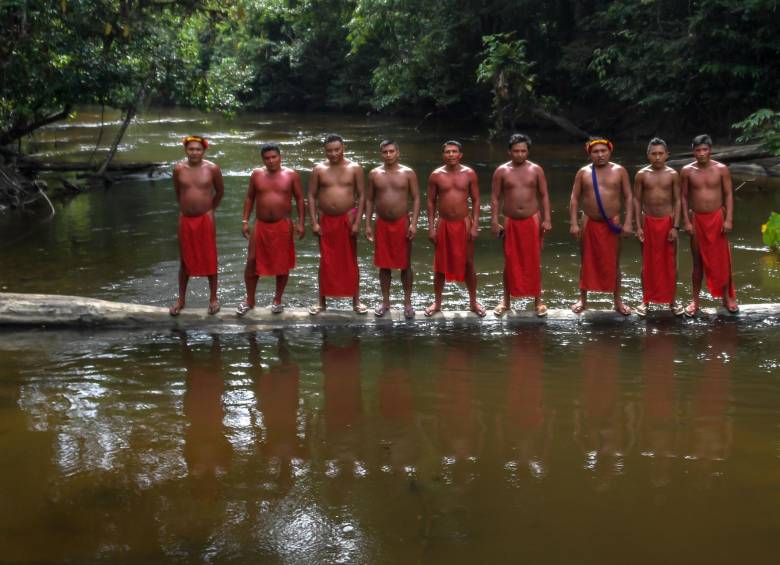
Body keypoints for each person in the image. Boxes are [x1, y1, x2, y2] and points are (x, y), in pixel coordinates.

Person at [237, 143, 304, 316]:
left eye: (274, 157)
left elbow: (299, 199)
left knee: (282, 264)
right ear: (263, 159)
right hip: (261, 224)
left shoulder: (291, 175)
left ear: (280, 157)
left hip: (283, 224)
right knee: (251, 260)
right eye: (267, 158)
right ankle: (250, 300)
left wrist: (301, 223)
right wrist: (245, 220)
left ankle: (277, 300)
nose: (271, 161)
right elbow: (250, 197)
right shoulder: (257, 174)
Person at [569, 137, 633, 315]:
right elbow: (574, 198)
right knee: (585, 260)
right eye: (595, 152)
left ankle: (617, 301)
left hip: (613, 222)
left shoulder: (620, 171)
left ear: (610, 152)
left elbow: (629, 197)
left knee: (614, 261)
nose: (600, 155)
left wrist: (628, 222)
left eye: (603, 151)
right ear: (590, 154)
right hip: (589, 220)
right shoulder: (583, 172)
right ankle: (583, 299)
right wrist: (574, 223)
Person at [490, 133, 552, 317]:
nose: (519, 154)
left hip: (532, 219)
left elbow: (544, 195)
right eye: (516, 151)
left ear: (528, 152)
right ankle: (506, 301)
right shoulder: (501, 171)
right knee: (509, 261)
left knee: (533, 260)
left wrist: (547, 219)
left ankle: (538, 301)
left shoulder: (536, 170)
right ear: (509, 151)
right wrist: (494, 221)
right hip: (510, 220)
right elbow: (495, 197)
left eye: (523, 151)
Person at [307, 133, 367, 314]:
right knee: (325, 260)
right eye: (329, 151)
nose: (333, 154)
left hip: (347, 218)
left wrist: (358, 221)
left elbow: (362, 195)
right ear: (324, 151)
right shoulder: (318, 169)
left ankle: (356, 301)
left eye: (336, 150)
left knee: (351, 260)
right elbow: (311, 195)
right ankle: (321, 302)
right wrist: (314, 221)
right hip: (325, 219)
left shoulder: (354, 168)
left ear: (343, 148)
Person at [424, 140, 485, 317]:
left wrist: (475, 225)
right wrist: (431, 227)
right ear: (443, 155)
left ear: (460, 154)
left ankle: (473, 302)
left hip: (463, 224)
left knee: (468, 263)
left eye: (454, 151)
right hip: (443, 223)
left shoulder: (469, 173)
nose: (451, 154)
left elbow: (476, 200)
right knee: (439, 265)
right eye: (448, 152)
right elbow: (430, 202)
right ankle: (437, 303)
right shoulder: (436, 175)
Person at [680, 134, 738, 316]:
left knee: (723, 261)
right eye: (698, 150)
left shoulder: (721, 169)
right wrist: (686, 221)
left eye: (705, 149)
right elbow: (683, 197)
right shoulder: (687, 171)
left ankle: (726, 298)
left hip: (717, 217)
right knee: (697, 262)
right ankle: (695, 300)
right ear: (693, 152)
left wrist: (729, 219)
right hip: (697, 218)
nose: (701, 153)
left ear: (710, 150)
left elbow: (728, 194)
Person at [365, 139, 421, 319]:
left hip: (402, 222)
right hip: (382, 223)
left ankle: (407, 303)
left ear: (398, 153)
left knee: (405, 264)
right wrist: (367, 224)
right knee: (384, 265)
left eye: (391, 151)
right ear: (381, 154)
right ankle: (386, 302)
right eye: (385, 152)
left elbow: (417, 198)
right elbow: (370, 200)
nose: (388, 155)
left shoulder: (408, 173)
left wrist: (413, 223)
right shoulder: (374, 174)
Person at [170, 135, 224, 316]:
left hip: (206, 218)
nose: (194, 152)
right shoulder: (179, 169)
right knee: (185, 259)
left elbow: (220, 191)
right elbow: (178, 193)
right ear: (185, 150)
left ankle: (213, 298)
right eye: (191, 149)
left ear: (204, 151)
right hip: (185, 218)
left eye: (198, 149)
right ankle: (181, 299)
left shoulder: (212, 168)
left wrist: (209, 209)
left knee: (210, 257)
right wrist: (187, 209)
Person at [634, 137, 683, 317]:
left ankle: (672, 300)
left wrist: (676, 226)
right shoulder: (641, 175)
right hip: (647, 221)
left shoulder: (673, 174)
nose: (657, 157)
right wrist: (637, 226)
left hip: (668, 222)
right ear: (648, 155)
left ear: (667, 155)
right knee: (647, 262)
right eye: (653, 154)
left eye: (660, 154)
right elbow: (636, 200)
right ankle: (645, 300)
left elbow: (678, 200)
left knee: (670, 262)